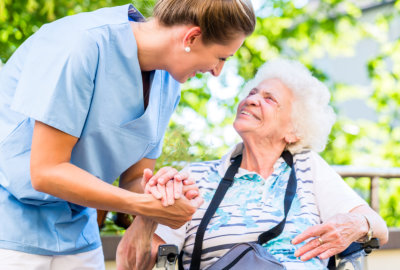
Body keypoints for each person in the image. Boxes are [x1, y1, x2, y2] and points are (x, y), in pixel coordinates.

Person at [0, 0, 256, 269]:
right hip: (10, 228)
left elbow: (133, 179)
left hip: (77, 235)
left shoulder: (168, 83)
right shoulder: (81, 44)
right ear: (191, 37)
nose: (217, 72)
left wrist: (164, 192)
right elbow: (46, 172)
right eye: (221, 57)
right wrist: (144, 205)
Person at [128, 58, 389, 270]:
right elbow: (132, 266)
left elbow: (379, 227)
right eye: (252, 93)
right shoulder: (195, 177)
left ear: (294, 131)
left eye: (269, 99)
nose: (252, 99)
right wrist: (148, 214)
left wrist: (357, 224)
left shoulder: (308, 168)